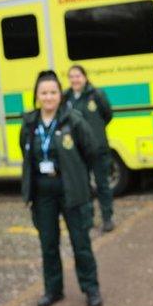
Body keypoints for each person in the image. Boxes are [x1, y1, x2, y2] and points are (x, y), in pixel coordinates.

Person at [21, 70, 103, 306]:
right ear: (37, 96)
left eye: (53, 92)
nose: (48, 97)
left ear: (60, 94)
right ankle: (53, 290)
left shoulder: (73, 120)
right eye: (44, 92)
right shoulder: (29, 123)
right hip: (42, 193)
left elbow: (91, 151)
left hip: (71, 192)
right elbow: (26, 154)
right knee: (48, 244)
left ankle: (91, 289)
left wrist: (78, 176)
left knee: (80, 243)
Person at [63, 64, 115, 232]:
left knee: (102, 185)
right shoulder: (66, 97)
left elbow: (107, 115)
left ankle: (107, 218)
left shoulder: (96, 94)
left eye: (78, 76)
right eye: (71, 77)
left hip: (98, 149)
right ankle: (88, 219)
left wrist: (96, 133)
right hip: (78, 151)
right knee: (83, 186)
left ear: (85, 77)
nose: (75, 80)